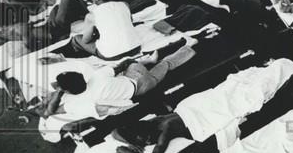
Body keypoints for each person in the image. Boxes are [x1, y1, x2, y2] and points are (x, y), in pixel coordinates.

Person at [44, 39, 193, 124]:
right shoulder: (98, 76)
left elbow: (49, 112)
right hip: (137, 77)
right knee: (151, 64)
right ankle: (152, 58)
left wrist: (59, 92)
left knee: (162, 65)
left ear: (67, 91)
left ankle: (180, 50)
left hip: (137, 89)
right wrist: (132, 62)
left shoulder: (79, 103)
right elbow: (124, 63)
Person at [68, 0, 143, 60]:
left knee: (76, 39)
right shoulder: (124, 4)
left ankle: (82, 57)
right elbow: (130, 21)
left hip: (113, 54)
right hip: (135, 48)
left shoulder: (91, 16)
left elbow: (86, 40)